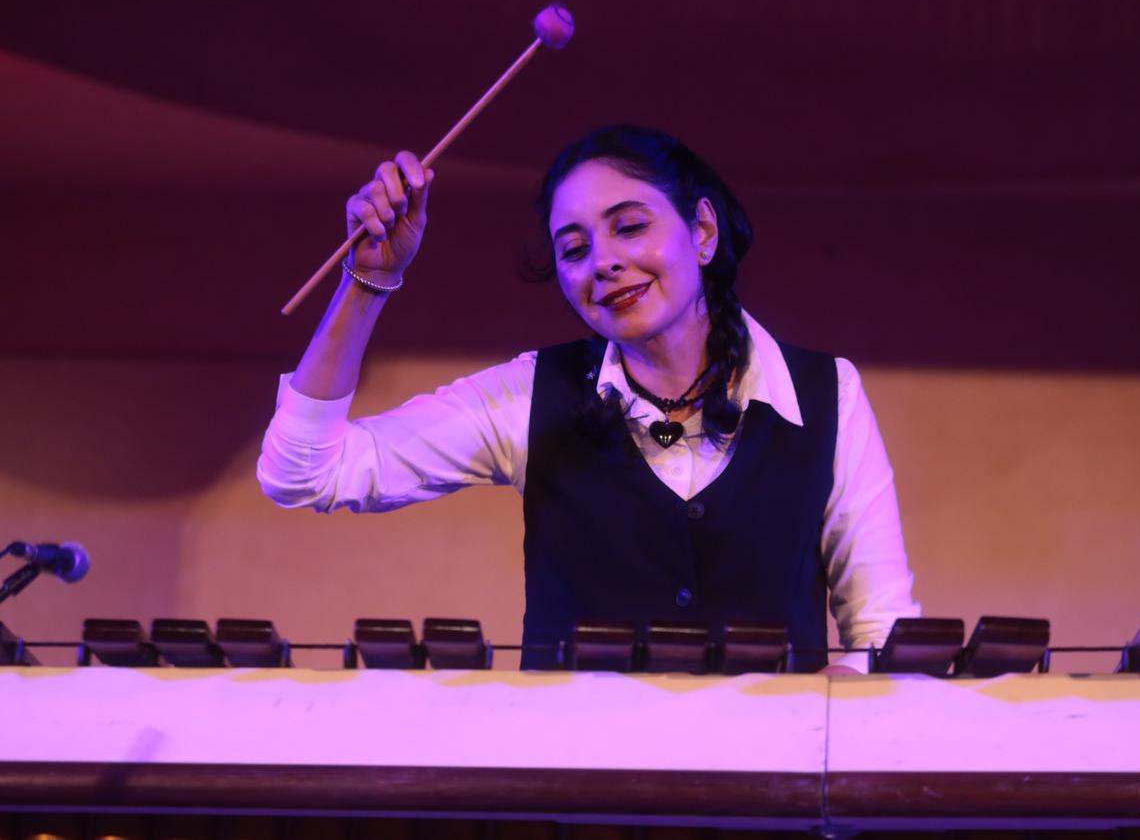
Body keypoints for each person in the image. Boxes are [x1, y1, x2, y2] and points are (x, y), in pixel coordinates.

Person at [258, 125, 920, 673]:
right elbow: (304, 472)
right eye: (574, 249)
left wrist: (830, 703)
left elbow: (882, 632)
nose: (602, 262)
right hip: (577, 781)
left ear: (703, 231)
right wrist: (367, 282)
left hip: (768, 783)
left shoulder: (826, 394)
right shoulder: (528, 396)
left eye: (629, 227)